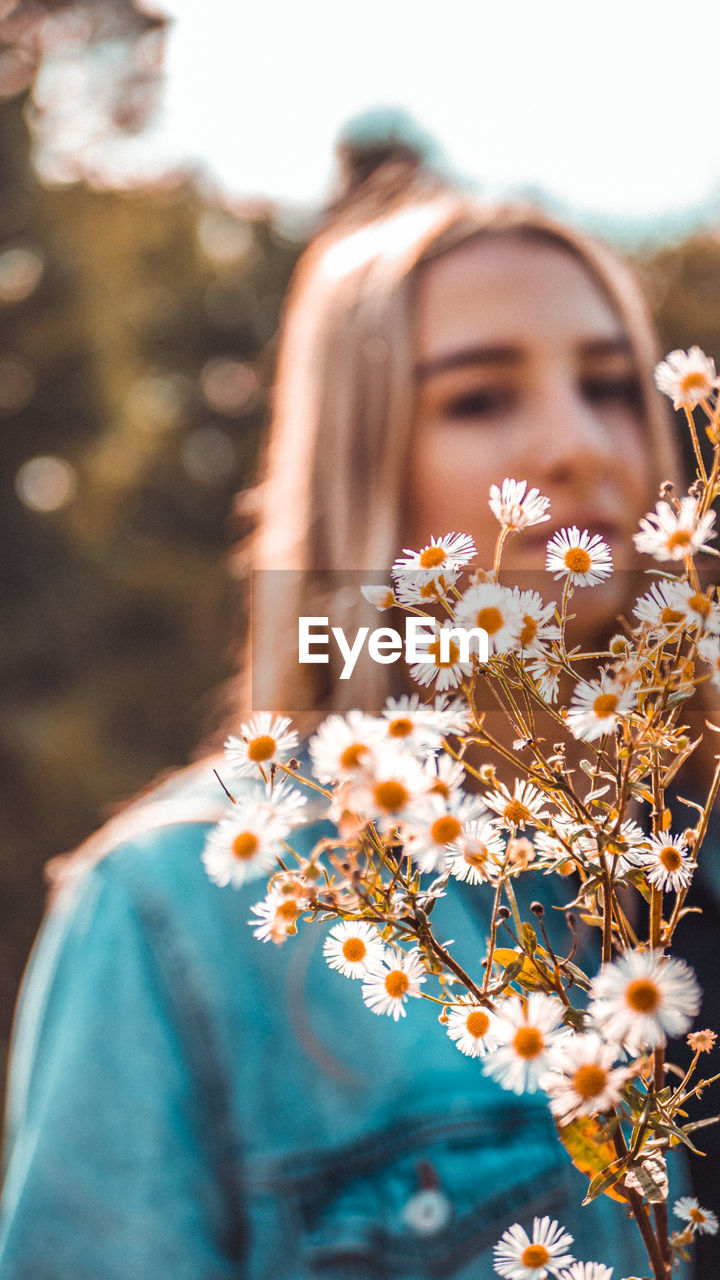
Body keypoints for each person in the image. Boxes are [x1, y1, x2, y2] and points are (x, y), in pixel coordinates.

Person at [0, 170, 703, 1279]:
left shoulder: (682, 835)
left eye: (613, 385)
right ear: (361, 465)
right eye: (479, 398)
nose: (579, 444)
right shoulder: (174, 913)